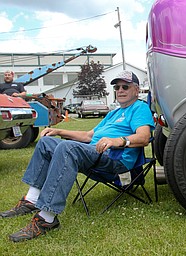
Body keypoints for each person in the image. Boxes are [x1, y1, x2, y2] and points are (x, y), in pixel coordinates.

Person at [0, 70, 155, 242]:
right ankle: (31, 200)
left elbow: (144, 137)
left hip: (115, 160)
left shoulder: (139, 108)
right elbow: (89, 136)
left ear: (136, 89)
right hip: (92, 153)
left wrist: (117, 140)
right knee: (45, 143)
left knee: (68, 148)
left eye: (125, 86)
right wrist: (58, 130)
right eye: (117, 87)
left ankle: (47, 218)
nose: (120, 90)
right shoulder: (114, 113)